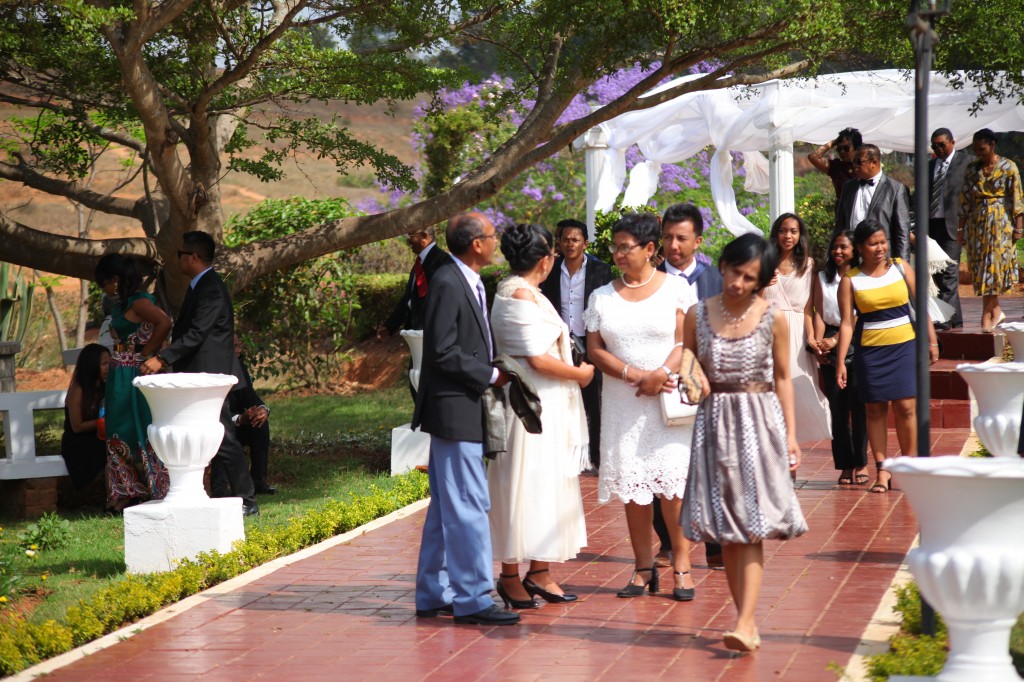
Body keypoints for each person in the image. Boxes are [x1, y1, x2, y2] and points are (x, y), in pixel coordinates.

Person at [681, 233, 808, 653]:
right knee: (727, 531)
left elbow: (784, 378)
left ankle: (745, 620)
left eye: (749, 277)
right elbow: (690, 364)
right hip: (713, 423)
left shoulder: (772, 317)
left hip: (758, 422)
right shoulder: (697, 315)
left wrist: (791, 434)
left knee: (751, 528)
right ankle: (745, 623)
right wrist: (687, 378)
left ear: (761, 281)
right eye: (735, 271)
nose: (738, 282)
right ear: (723, 265)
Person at [411, 212, 520, 626]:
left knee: (445, 506)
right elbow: (442, 350)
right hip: (455, 409)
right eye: (492, 236)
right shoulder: (446, 281)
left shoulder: (467, 280)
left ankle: (432, 591)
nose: (496, 243)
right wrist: (491, 374)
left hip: (460, 407)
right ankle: (473, 599)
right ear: (477, 244)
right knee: (469, 504)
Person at [585, 212, 698, 602]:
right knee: (635, 490)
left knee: (673, 489)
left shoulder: (676, 290)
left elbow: (686, 341)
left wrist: (660, 373)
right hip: (623, 402)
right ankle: (642, 567)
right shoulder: (600, 296)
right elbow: (594, 350)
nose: (617, 253)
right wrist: (635, 375)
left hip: (667, 399)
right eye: (614, 247)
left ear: (650, 249)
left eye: (624, 246)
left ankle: (681, 565)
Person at [488, 224, 594, 610]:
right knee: (523, 485)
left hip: (549, 404)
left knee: (548, 485)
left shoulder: (529, 293)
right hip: (529, 405)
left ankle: (540, 570)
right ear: (545, 260)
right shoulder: (516, 295)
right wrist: (582, 374)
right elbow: (536, 358)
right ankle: (511, 574)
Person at [140, 232, 259, 517]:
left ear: (193, 257)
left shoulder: (210, 288)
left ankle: (248, 501)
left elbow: (196, 335)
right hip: (201, 373)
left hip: (209, 375)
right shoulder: (200, 285)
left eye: (181, 253)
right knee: (214, 435)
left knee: (223, 436)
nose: (177, 258)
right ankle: (224, 494)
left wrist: (162, 358)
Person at [835, 220, 939, 493]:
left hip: (904, 346)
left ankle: (908, 467)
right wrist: (840, 363)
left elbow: (922, 305)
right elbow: (847, 323)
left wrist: (932, 340)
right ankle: (882, 470)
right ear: (860, 248)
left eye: (883, 242)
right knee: (875, 409)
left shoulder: (901, 268)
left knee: (906, 407)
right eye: (873, 243)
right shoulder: (850, 280)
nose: (880, 248)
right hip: (870, 352)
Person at [655, 202, 725, 570]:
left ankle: (714, 542)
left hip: (709, 384)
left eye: (681, 238)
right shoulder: (650, 282)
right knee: (664, 463)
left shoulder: (716, 280)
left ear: (698, 240)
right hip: (664, 385)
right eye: (667, 237)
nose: (673, 245)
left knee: (710, 462)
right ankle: (667, 542)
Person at [94, 254, 172, 513]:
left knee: (140, 427)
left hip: (134, 373)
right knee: (118, 430)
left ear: (116, 280)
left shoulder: (140, 302)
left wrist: (148, 353)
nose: (103, 288)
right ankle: (125, 491)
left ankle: (154, 488)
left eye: (105, 282)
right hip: (120, 372)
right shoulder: (123, 304)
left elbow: (164, 322)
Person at [539, 218, 613, 468]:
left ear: (585, 244)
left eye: (575, 240)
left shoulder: (600, 270)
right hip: (558, 344)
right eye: (566, 239)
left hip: (591, 342)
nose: (570, 244)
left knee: (595, 401)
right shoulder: (550, 268)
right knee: (561, 399)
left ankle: (596, 457)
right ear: (558, 243)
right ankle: (566, 457)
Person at [763, 213, 831, 444]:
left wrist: (812, 338)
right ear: (776, 233)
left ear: (800, 235)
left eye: (793, 231)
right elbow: (749, 299)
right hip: (767, 330)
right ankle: (771, 444)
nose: (788, 235)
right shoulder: (763, 261)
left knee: (796, 388)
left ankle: (789, 446)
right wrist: (761, 284)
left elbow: (808, 308)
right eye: (783, 230)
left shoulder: (808, 265)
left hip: (796, 334)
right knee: (769, 388)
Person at [812, 231, 868, 485]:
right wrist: (817, 343)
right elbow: (818, 312)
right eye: (835, 247)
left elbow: (855, 316)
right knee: (837, 408)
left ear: (854, 250)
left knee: (859, 407)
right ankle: (845, 465)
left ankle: (862, 463)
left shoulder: (861, 277)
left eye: (843, 247)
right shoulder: (822, 277)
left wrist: (836, 341)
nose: (838, 252)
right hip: (830, 336)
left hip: (858, 338)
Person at [958, 128, 1024, 332]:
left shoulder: (1008, 167)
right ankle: (994, 310)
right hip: (977, 225)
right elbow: (965, 200)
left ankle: (988, 314)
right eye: (976, 149)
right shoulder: (972, 169)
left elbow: (1017, 198)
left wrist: (1018, 229)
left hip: (1001, 224)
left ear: (992, 145)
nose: (978, 152)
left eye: (982, 148)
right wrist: (961, 228)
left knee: (995, 268)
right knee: (981, 268)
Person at [211, 337, 274, 496]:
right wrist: (239, 419)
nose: (239, 351)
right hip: (217, 427)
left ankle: (258, 481)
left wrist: (262, 410)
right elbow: (214, 411)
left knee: (260, 424)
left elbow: (250, 396)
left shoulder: (238, 366)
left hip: (236, 424)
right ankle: (220, 490)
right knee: (223, 436)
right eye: (235, 347)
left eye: (239, 346)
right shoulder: (211, 369)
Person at [835, 144, 912, 260]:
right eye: (853, 162)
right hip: (851, 257)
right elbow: (840, 225)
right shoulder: (848, 187)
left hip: (881, 259)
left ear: (874, 163)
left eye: (859, 162)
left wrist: (902, 266)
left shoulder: (895, 189)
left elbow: (902, 233)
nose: (854, 166)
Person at [927, 128, 969, 329]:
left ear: (952, 142)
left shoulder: (966, 163)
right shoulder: (929, 166)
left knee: (950, 274)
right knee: (937, 273)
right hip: (932, 226)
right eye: (934, 145)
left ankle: (943, 321)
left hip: (954, 227)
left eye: (942, 144)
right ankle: (956, 318)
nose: (938, 149)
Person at [376, 227, 451, 339]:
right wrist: (390, 325)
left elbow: (446, 301)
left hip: (433, 335)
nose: (408, 241)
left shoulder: (442, 261)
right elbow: (409, 299)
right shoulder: (419, 264)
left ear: (424, 237)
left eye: (410, 236)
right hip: (416, 334)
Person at [60, 343, 110, 491]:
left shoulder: (104, 386)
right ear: (92, 365)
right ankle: (113, 499)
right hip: (78, 442)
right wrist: (102, 422)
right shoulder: (78, 389)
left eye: (110, 363)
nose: (108, 367)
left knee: (119, 448)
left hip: (98, 437)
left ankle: (122, 498)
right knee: (111, 450)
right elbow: (76, 427)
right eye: (103, 364)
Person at [808, 128, 862, 197]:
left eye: (846, 148)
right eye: (839, 149)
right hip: (843, 207)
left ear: (856, 148)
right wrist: (834, 142)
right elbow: (813, 157)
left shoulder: (865, 165)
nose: (842, 152)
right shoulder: (836, 167)